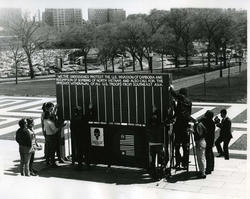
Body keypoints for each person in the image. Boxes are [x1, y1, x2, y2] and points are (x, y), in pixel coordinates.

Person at [169, 86, 192, 169]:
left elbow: (175, 95)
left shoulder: (182, 98)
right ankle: (185, 163)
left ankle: (178, 162)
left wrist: (171, 89)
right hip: (185, 126)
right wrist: (174, 106)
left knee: (177, 146)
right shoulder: (189, 101)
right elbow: (179, 111)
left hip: (179, 126)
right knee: (185, 147)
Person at [200, 110, 215, 174]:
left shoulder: (207, 122)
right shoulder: (211, 122)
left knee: (208, 154)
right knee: (210, 153)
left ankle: (208, 169)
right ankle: (211, 167)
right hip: (211, 139)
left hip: (207, 139)